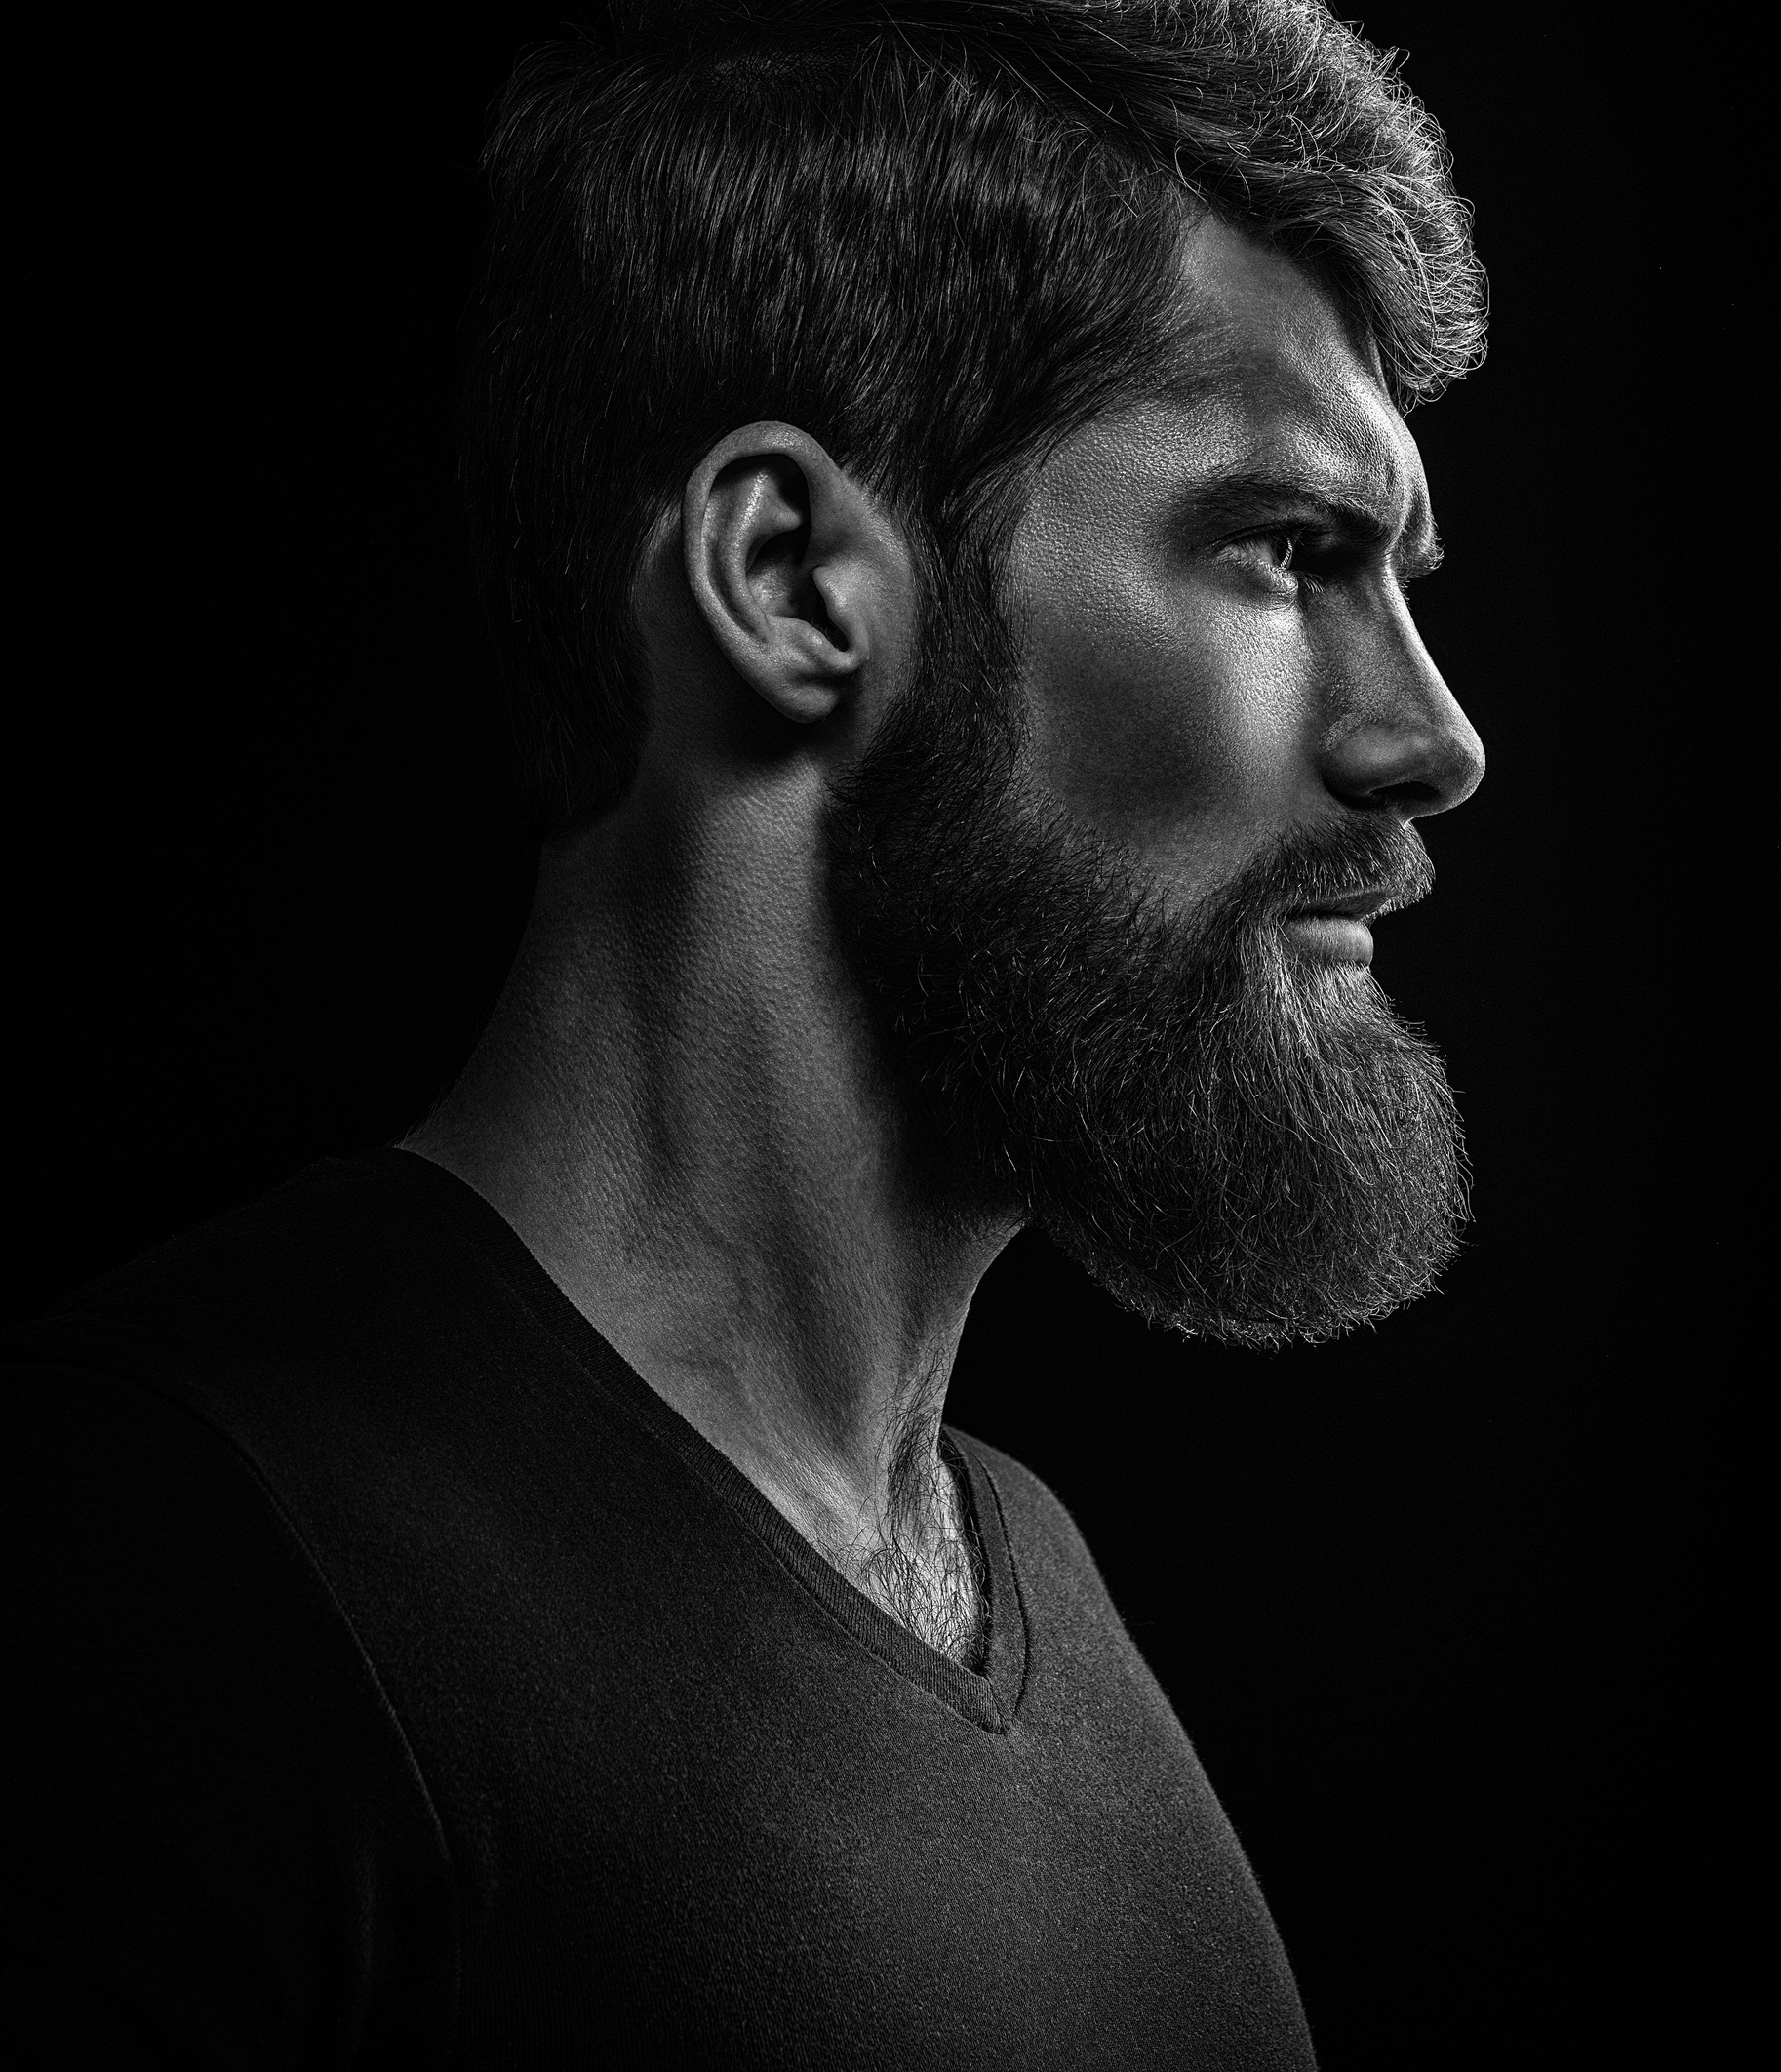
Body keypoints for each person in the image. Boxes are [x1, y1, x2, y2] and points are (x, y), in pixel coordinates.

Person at [7, 1, 1485, 2062]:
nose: (1434, 739)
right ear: (791, 579)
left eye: (1402, 579)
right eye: (1294, 550)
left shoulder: (1044, 1596)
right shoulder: (159, 1569)